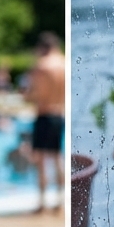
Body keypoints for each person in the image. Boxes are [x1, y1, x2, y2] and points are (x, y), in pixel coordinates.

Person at [24, 32, 65, 213]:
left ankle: (42, 202)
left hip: (44, 114)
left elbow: (35, 95)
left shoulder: (42, 67)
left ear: (42, 47)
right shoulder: (64, 64)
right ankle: (60, 200)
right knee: (57, 158)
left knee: (40, 160)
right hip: (59, 114)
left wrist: (27, 95)